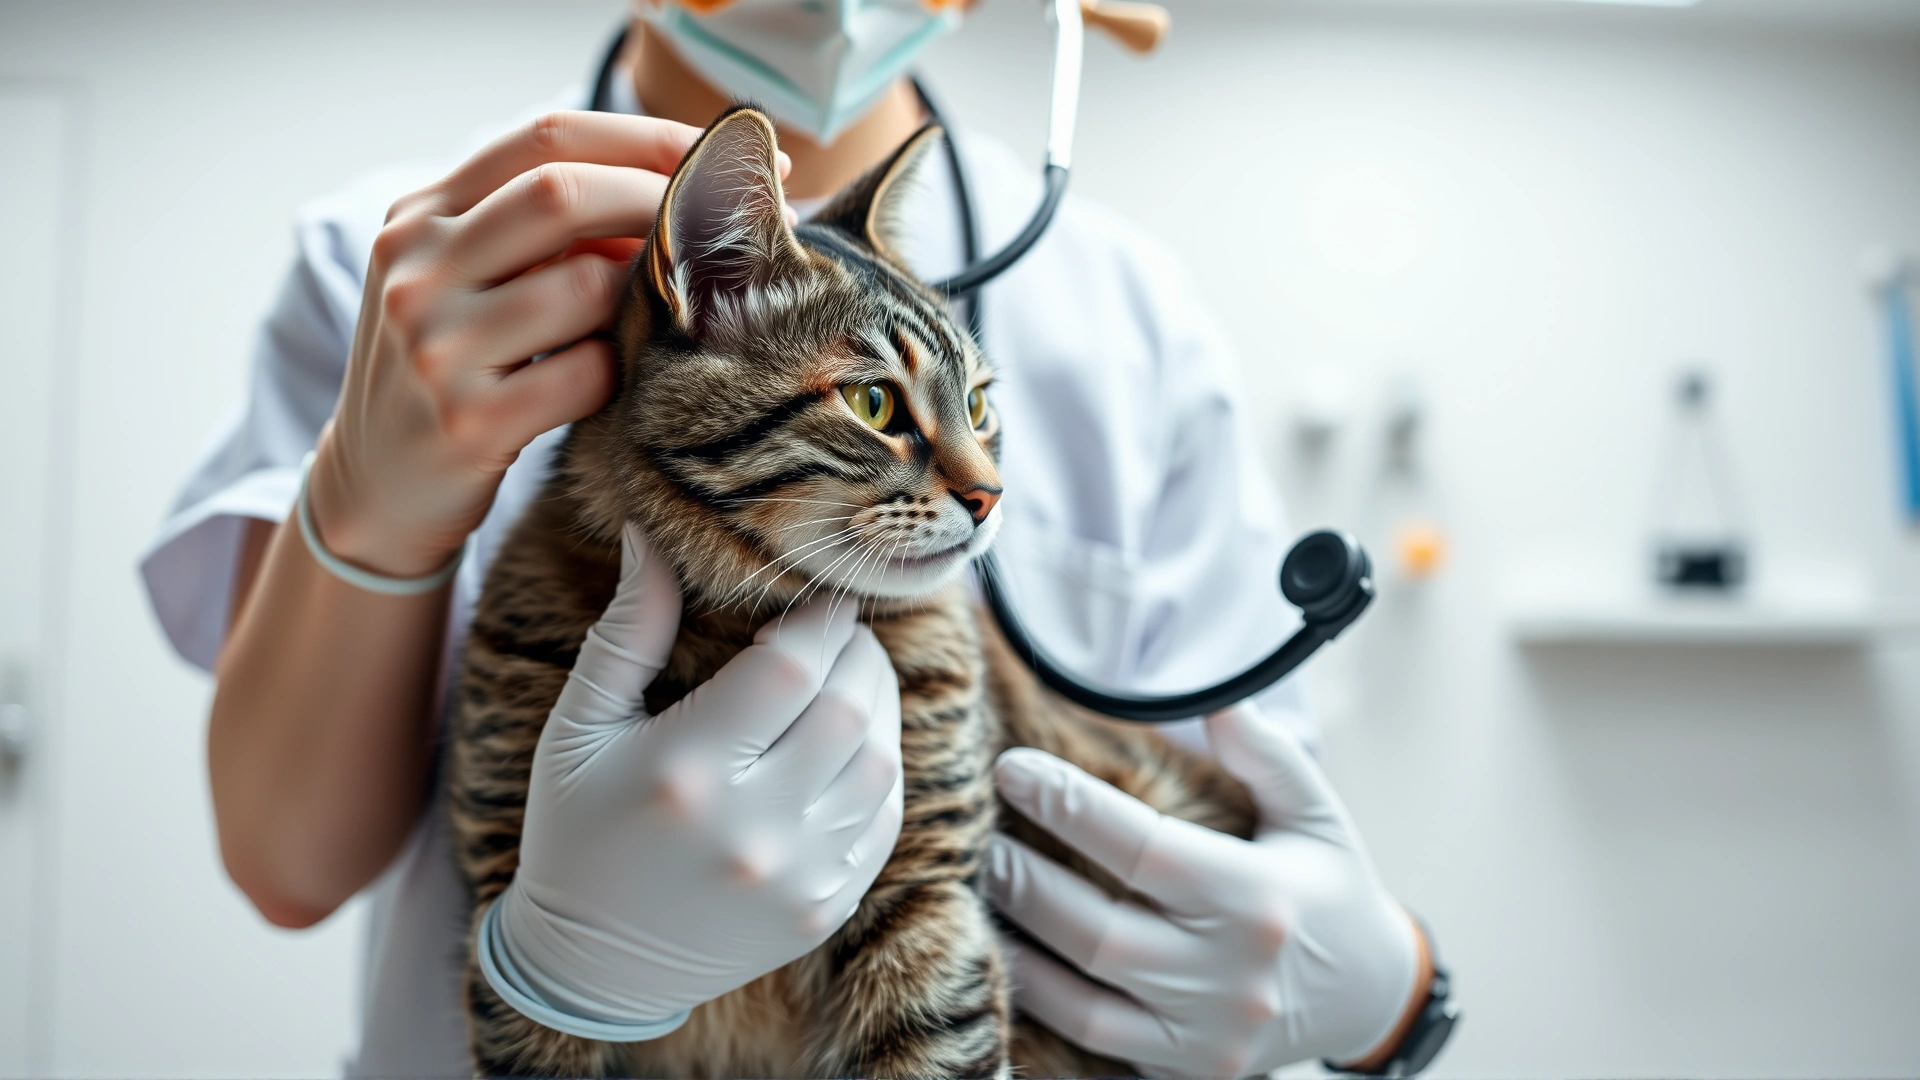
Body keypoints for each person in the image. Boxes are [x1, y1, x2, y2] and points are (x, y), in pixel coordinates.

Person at [140, 1, 1447, 1075]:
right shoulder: (394, 249)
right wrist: (362, 504)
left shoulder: (1130, 307)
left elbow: (1259, 829)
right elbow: (285, 866)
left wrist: (1395, 999)